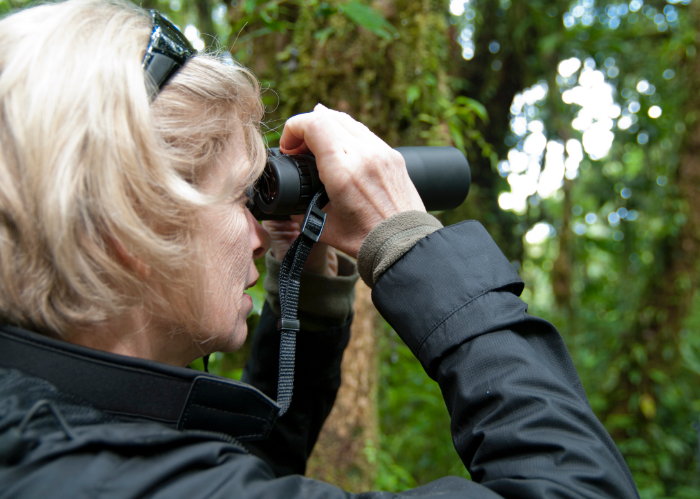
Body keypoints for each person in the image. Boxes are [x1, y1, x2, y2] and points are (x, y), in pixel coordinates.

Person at [0, 0, 640, 497]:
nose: (258, 229)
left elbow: (245, 473)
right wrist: (409, 245)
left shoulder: (50, 437)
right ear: (129, 227)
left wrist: (313, 290)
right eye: (239, 197)